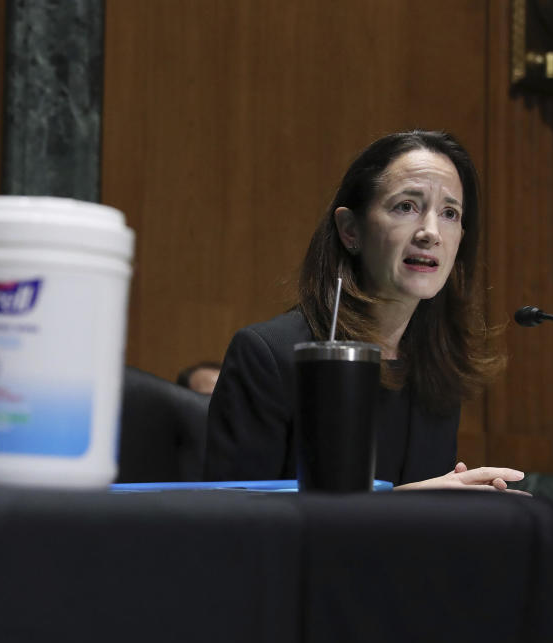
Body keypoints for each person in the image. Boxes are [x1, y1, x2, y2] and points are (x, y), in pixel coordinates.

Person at [205, 130, 526, 491]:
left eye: (450, 213)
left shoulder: (437, 368)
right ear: (350, 230)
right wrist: (409, 505)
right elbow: (233, 526)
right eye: (407, 206)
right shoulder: (268, 355)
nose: (430, 233)